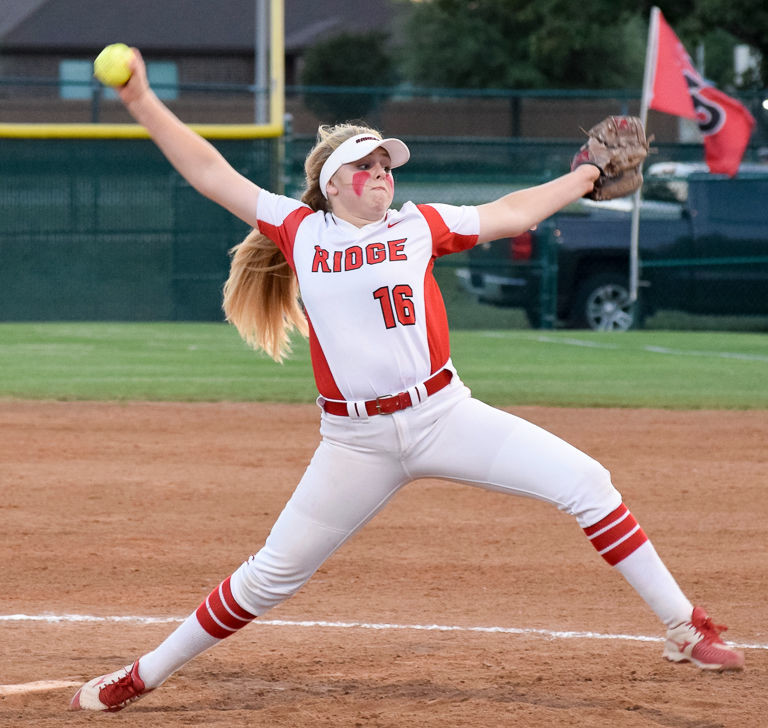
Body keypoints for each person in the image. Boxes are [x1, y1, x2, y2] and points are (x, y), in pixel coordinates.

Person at [70, 48, 744, 713]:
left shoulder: (420, 225)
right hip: (354, 442)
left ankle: (685, 627)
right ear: (332, 184)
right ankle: (140, 675)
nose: (380, 171)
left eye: (384, 162)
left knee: (588, 483)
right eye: (363, 165)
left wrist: (586, 174)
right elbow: (209, 171)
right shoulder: (300, 231)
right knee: (271, 575)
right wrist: (141, 101)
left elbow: (513, 211)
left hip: (445, 416)